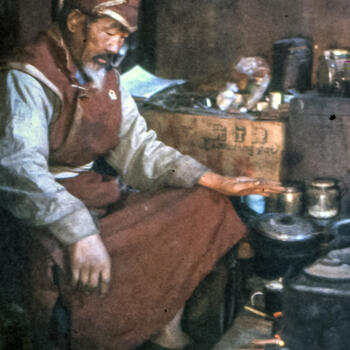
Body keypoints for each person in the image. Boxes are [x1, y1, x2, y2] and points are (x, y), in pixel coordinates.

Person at [0, 1, 284, 349]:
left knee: (208, 202)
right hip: (47, 216)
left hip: (98, 199)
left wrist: (214, 179)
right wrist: (78, 233)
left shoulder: (103, 73)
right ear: (76, 21)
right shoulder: (27, 75)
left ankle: (165, 325)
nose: (117, 48)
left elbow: (138, 149)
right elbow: (19, 169)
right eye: (109, 32)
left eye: (124, 37)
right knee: (89, 268)